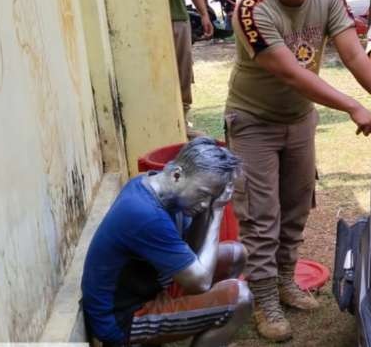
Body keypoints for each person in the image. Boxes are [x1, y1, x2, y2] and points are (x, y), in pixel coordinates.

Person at [225, 0, 371, 342]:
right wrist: (353, 107)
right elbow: (292, 74)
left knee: (295, 208)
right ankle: (265, 300)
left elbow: (353, 53)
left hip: (298, 120)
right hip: (253, 121)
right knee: (261, 216)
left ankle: (284, 281)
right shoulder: (251, 8)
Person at [81, 138, 249, 347]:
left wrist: (206, 208)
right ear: (177, 175)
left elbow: (194, 252)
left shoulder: (159, 186)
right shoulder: (144, 213)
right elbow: (200, 282)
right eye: (204, 194)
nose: (205, 203)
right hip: (120, 320)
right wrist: (216, 211)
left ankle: (207, 325)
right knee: (239, 298)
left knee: (235, 254)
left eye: (212, 198)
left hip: (148, 290)